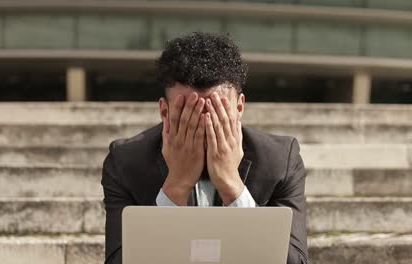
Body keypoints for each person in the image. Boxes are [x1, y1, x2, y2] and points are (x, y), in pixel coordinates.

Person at [101, 32, 308, 264]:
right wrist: (176, 186)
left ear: (239, 107)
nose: (203, 125)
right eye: (189, 114)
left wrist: (232, 186)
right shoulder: (126, 162)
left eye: (215, 113)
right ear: (165, 111)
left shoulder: (279, 161)